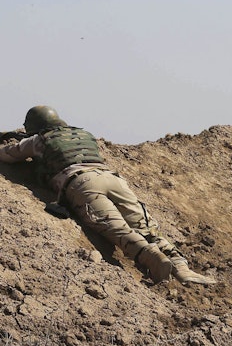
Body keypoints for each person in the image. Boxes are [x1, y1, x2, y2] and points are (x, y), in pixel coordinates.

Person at [0, 105, 216, 285]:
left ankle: (152, 258)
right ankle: (180, 266)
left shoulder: (38, 140)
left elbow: (9, 155)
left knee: (115, 227)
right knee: (146, 226)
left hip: (81, 182)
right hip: (113, 179)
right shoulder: (83, 134)